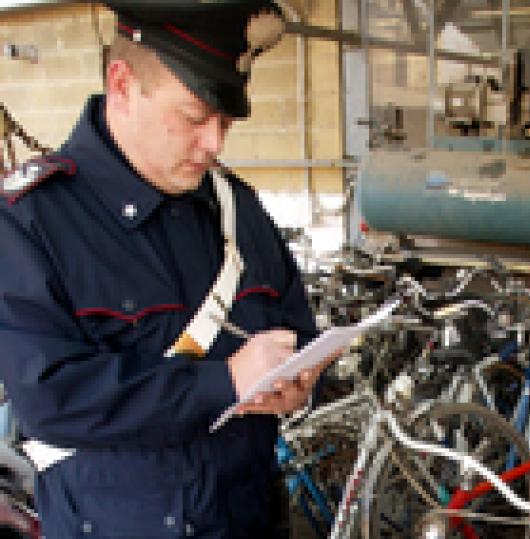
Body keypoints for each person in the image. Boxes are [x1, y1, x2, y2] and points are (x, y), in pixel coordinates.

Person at [0, 1, 324, 536]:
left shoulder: (238, 210)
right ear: (122, 84)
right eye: (195, 117)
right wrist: (223, 382)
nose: (214, 143)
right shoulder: (33, 222)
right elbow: (51, 396)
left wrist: (299, 378)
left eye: (226, 122)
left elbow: (295, 324)